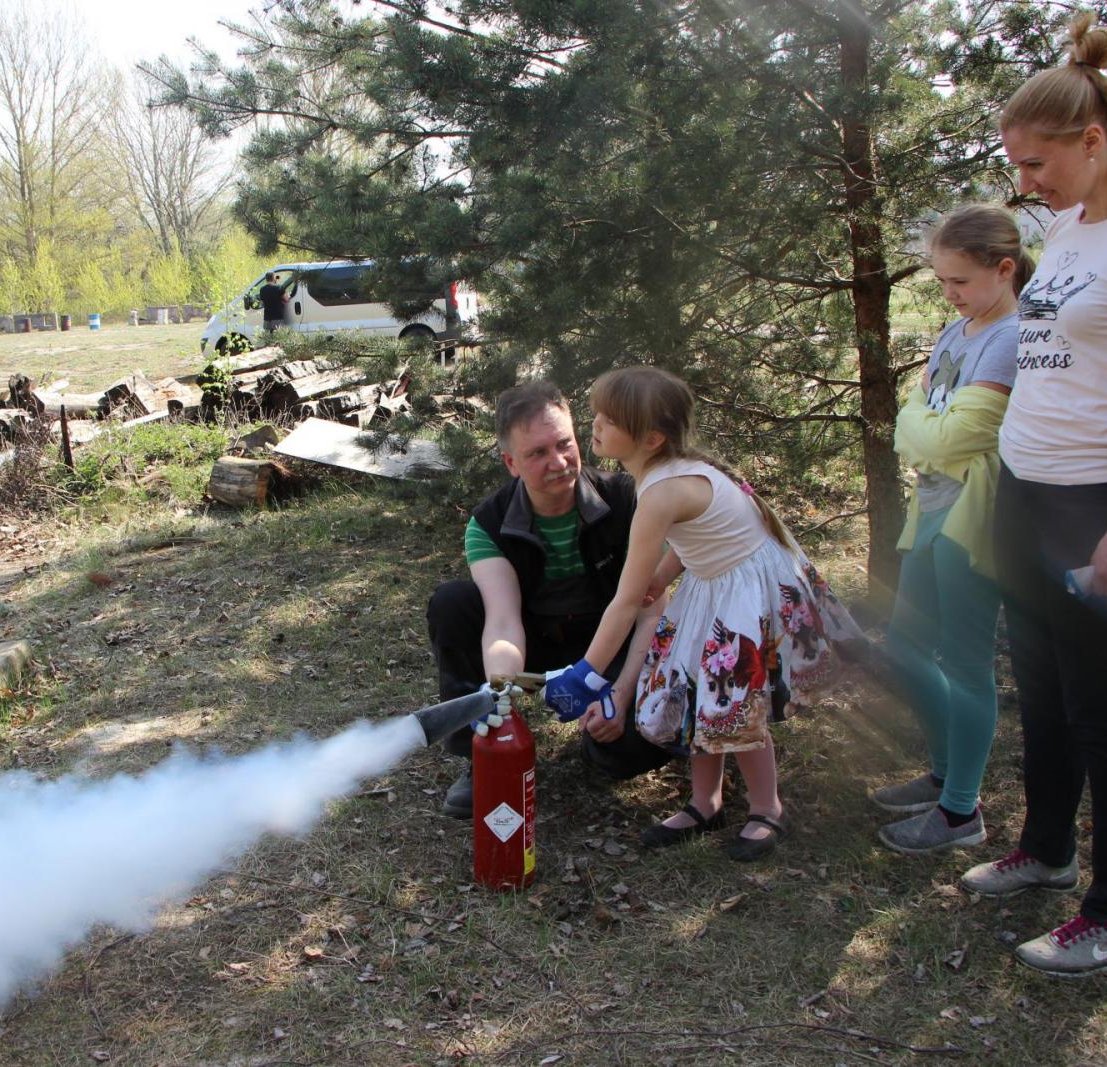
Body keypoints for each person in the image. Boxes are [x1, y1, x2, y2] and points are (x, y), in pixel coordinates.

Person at [954, 12, 1107, 977]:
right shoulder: (1070, 224)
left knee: (1105, 709)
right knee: (1040, 686)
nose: (1025, 184)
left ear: (1094, 141)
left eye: (1037, 163)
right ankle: (1047, 849)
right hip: (1027, 491)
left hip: (1099, 502)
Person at [543, 367, 860, 861]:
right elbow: (698, 537)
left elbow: (625, 601)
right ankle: (704, 803)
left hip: (745, 590)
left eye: (610, 419)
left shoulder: (660, 492)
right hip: (715, 583)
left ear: (650, 437)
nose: (596, 424)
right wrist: (664, 574)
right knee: (692, 688)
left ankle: (767, 806)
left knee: (734, 700)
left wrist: (586, 673)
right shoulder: (665, 471)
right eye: (598, 413)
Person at [426, 380, 676, 818]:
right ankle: (483, 753)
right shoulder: (488, 524)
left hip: (611, 643)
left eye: (564, 444)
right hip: (535, 640)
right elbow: (502, 623)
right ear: (511, 463)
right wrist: (498, 688)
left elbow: (654, 608)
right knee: (453, 603)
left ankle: (612, 731)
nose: (558, 462)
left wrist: (619, 691)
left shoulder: (629, 501)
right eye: (537, 453)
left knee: (621, 755)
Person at [871, 206, 1032, 855]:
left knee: (966, 662)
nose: (950, 294)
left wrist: (923, 434)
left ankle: (962, 810)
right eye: (941, 281)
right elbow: (915, 421)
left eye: (960, 280)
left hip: (975, 513)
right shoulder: (958, 330)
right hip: (932, 505)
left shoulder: (1012, 337)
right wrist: (925, 434)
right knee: (905, 644)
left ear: (1004, 268)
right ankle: (944, 774)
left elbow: (965, 431)